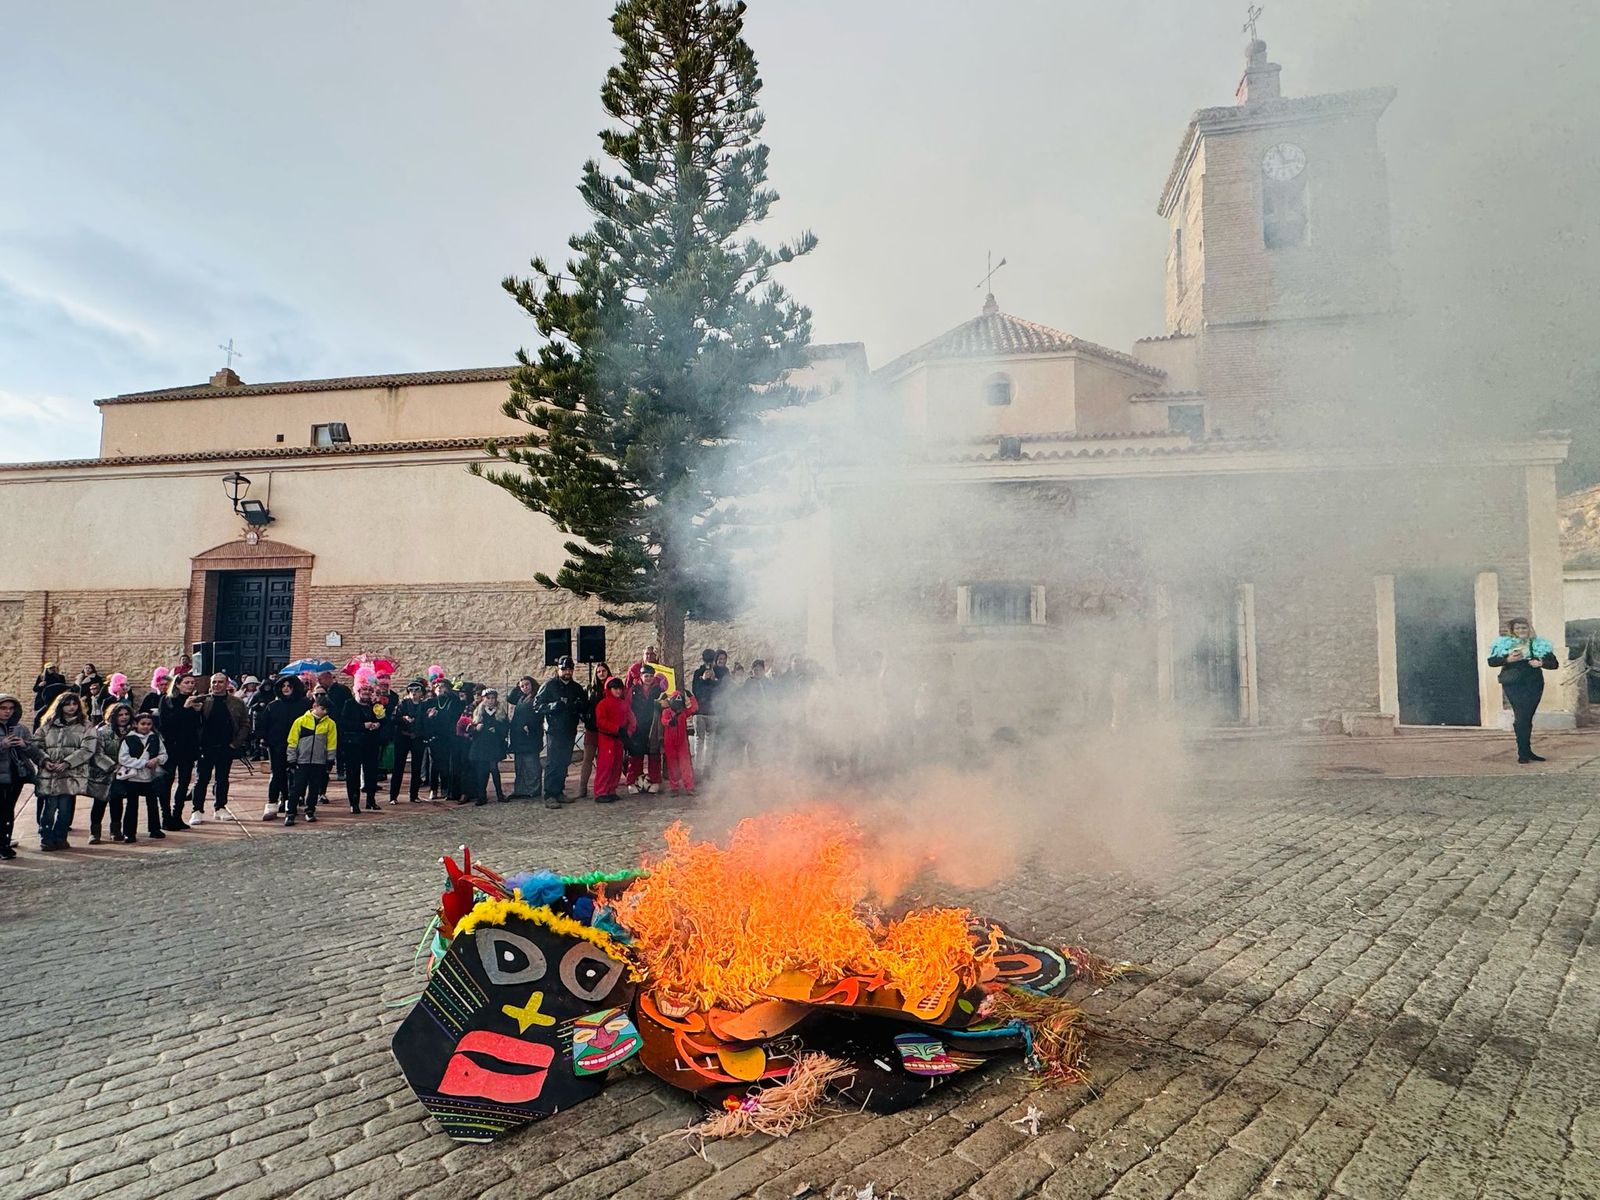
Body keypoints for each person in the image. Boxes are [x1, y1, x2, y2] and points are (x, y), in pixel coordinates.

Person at [1487, 618, 1561, 764]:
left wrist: (1541, 663)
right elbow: (1491, 662)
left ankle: (1527, 751)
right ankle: (1522, 753)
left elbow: (1554, 664)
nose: (1521, 631)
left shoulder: (1539, 644)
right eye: (1518, 628)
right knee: (1521, 716)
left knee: (1527, 717)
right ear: (1513, 630)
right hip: (1514, 684)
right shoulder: (1504, 644)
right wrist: (1508, 659)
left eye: (1524, 628)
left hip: (1534, 684)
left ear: (1529, 629)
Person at [188, 673, 250, 823]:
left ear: (226, 683)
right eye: (214, 682)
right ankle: (197, 810)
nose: (217, 685)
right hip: (206, 747)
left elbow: (245, 724)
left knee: (222, 779)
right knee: (201, 779)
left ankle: (220, 807)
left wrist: (235, 743)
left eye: (220, 682)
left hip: (226, 746)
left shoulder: (237, 703)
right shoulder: (202, 700)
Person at [35, 691, 93, 851]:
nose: (72, 707)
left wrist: (68, 762)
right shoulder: (48, 724)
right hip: (51, 773)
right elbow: (36, 744)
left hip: (71, 773)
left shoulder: (85, 725)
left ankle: (61, 837)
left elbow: (88, 748)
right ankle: (46, 838)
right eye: (68, 704)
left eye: (74, 704)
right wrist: (44, 760)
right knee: (49, 807)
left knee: (65, 808)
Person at [535, 657, 587, 808]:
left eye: (570, 669)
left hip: (570, 729)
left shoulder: (576, 688)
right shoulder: (549, 686)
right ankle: (550, 795)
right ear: (558, 669)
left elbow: (584, 706)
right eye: (564, 669)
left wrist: (580, 705)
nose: (567, 672)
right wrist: (552, 706)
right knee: (553, 762)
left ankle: (559, 791)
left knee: (564, 762)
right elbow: (537, 705)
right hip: (554, 730)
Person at [258, 675, 309, 819]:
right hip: (277, 745)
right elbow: (263, 724)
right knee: (277, 774)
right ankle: (272, 803)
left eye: (289, 686)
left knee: (296, 775)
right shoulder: (273, 706)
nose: (286, 689)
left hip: (298, 746)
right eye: (283, 686)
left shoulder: (304, 705)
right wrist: (263, 739)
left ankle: (290, 801)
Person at [158, 673, 204, 828]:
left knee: (184, 782)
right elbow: (167, 724)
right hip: (171, 747)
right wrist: (185, 709)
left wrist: (198, 711)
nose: (190, 685)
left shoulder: (193, 700)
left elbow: (196, 726)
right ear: (177, 684)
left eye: (192, 682)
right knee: (167, 781)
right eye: (186, 682)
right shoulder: (167, 700)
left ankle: (177, 815)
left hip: (188, 747)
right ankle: (166, 817)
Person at [339, 678, 390, 812]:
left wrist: (378, 723)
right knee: (353, 774)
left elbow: (384, 720)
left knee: (371, 773)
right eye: (364, 689)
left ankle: (371, 800)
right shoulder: (349, 704)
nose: (366, 692)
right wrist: (363, 726)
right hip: (353, 745)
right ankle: (354, 803)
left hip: (371, 743)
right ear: (358, 690)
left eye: (369, 690)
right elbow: (344, 723)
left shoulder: (374, 705)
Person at [116, 711, 168, 841]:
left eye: (149, 724)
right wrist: (143, 763)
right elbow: (123, 758)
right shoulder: (129, 739)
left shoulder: (155, 738)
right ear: (136, 724)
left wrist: (156, 760)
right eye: (143, 724)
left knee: (153, 804)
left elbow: (164, 754)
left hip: (151, 777)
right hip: (133, 777)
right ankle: (129, 832)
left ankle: (155, 828)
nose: (146, 726)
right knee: (132, 805)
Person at [284, 697, 338, 825]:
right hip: (302, 760)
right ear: (315, 706)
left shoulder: (330, 724)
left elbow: (332, 743)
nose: (325, 712)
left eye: (326, 710)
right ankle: (290, 812)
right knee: (296, 788)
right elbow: (292, 741)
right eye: (322, 709)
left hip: (318, 761)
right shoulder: (300, 721)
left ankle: (310, 810)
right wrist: (291, 759)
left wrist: (330, 760)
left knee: (314, 788)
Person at [87, 702, 134, 843]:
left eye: (126, 714)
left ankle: (116, 830)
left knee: (117, 802)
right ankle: (94, 833)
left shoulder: (133, 732)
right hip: (103, 773)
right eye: (120, 715)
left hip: (123, 773)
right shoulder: (102, 732)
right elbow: (97, 753)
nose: (124, 717)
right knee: (99, 803)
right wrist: (112, 766)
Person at [0, 694, 37, 859]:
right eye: (3, 708)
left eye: (10, 708)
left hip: (16, 776)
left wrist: (24, 745)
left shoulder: (20, 728)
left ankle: (5, 843)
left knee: (8, 810)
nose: (7, 712)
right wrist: (2, 745)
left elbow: (34, 748)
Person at [591, 675, 634, 804]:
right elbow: (601, 722)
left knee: (616, 766)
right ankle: (601, 792)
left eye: (619, 689)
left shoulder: (623, 704)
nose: (618, 691)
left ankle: (611, 790)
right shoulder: (602, 704)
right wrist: (616, 728)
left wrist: (629, 732)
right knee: (605, 766)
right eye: (615, 688)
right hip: (607, 738)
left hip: (619, 739)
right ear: (609, 689)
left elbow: (632, 719)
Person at [624, 663, 663, 793]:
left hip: (653, 727)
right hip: (637, 727)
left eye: (651, 676)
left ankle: (655, 780)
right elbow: (627, 707)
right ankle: (633, 781)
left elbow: (665, 705)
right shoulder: (633, 690)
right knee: (635, 756)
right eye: (646, 676)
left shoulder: (659, 691)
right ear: (641, 676)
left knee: (654, 755)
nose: (649, 678)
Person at [390, 679, 431, 804]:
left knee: (417, 767)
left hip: (417, 738)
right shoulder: (403, 704)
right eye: (411, 690)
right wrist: (403, 718)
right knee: (398, 767)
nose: (413, 692)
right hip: (403, 737)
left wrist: (429, 717)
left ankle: (414, 795)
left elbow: (426, 723)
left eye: (417, 690)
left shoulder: (424, 706)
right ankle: (393, 796)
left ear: (422, 693)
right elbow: (393, 718)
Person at [467, 689, 511, 805]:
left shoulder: (500, 712)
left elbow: (506, 727)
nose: (491, 701)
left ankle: (500, 794)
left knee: (494, 768)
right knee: (482, 771)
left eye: (493, 698)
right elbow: (471, 728)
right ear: (484, 699)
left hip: (494, 745)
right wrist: (476, 729)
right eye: (488, 698)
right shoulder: (479, 712)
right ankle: (482, 796)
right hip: (481, 745)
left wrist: (496, 728)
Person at [578, 663, 612, 798]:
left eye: (604, 671)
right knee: (587, 758)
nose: (601, 673)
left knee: (605, 760)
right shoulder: (590, 689)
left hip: (607, 730)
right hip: (592, 728)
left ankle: (604, 787)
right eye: (598, 671)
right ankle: (582, 788)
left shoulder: (613, 687)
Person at [424, 680, 462, 802]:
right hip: (435, 736)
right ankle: (433, 789)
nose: (440, 688)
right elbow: (424, 718)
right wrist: (430, 717)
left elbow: (454, 715)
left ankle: (445, 787)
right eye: (438, 686)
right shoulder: (432, 701)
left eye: (443, 686)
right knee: (435, 763)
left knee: (447, 763)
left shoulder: (453, 701)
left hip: (449, 736)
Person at [690, 648, 728, 771]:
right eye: (708, 661)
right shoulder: (698, 673)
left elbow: (722, 691)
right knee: (699, 741)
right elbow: (695, 691)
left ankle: (706, 768)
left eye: (711, 660)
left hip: (713, 712)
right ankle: (697, 768)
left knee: (709, 741)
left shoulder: (719, 673)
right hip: (700, 712)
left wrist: (713, 681)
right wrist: (703, 679)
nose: (709, 663)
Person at [507, 675, 544, 800]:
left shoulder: (536, 698)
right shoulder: (520, 698)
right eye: (522, 686)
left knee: (531, 765)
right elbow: (510, 698)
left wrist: (530, 726)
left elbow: (539, 716)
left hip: (530, 736)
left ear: (532, 685)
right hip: (519, 737)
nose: (524, 688)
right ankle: (520, 790)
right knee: (520, 765)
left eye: (527, 685)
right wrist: (517, 686)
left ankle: (533, 790)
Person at [658, 687, 699, 796]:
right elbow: (664, 720)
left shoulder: (683, 712)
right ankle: (674, 787)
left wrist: (691, 696)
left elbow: (694, 708)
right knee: (672, 765)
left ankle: (689, 787)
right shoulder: (666, 711)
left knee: (685, 765)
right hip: (670, 743)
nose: (678, 709)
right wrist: (669, 722)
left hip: (682, 742)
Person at [319, 669, 354, 780]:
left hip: (338, 723)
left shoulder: (341, 689)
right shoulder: (321, 690)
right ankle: (324, 771)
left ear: (329, 678)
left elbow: (347, 705)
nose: (319, 681)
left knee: (339, 748)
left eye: (321, 679)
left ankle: (340, 770)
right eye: (319, 679)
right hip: (325, 723)